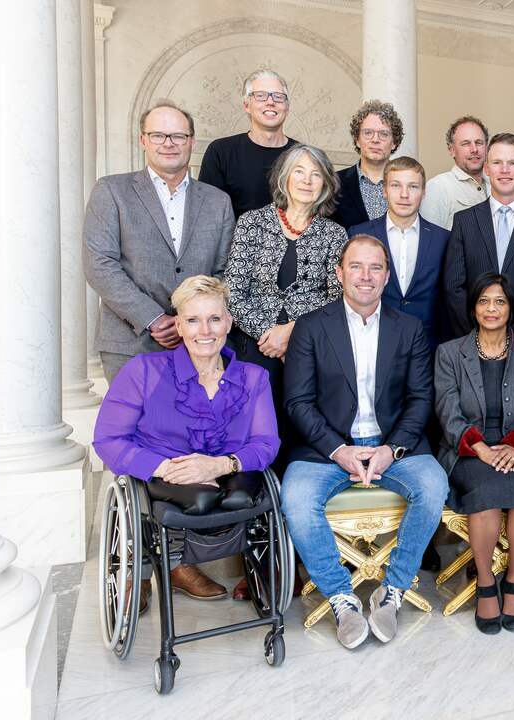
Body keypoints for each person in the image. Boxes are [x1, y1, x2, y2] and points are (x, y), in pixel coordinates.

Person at [281, 235, 448, 649]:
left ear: (387, 276)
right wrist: (338, 449)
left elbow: (420, 399)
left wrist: (392, 449)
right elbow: (298, 402)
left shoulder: (409, 329)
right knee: (297, 500)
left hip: (394, 444)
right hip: (326, 448)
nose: (366, 276)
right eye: (356, 266)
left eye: (375, 268)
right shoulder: (311, 327)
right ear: (339, 273)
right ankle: (342, 598)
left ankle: (392, 592)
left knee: (433, 486)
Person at [93, 275, 279, 604]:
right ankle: (164, 567)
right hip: (168, 474)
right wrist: (165, 468)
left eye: (214, 319)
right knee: (201, 498)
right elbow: (109, 440)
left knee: (242, 498)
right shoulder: (143, 371)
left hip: (230, 475)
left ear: (229, 323)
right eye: (193, 320)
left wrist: (221, 464)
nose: (204, 331)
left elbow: (266, 443)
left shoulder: (254, 378)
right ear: (178, 326)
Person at [433, 274, 514, 634]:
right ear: (473, 307)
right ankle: (486, 583)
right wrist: (483, 450)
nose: (491, 308)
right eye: (484, 301)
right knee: (484, 494)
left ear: (511, 307)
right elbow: (447, 411)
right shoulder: (449, 353)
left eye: (499, 301)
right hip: (469, 452)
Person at [84, 101, 235, 381]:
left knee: (192, 424)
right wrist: (152, 318)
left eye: (178, 136)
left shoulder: (218, 202)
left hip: (198, 343)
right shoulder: (111, 191)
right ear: (143, 139)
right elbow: (99, 264)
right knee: (133, 425)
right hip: (130, 341)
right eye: (158, 135)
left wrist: (189, 320)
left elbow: (223, 272)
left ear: (191, 142)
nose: (168, 143)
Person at [223, 143, 345, 458]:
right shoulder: (252, 223)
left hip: (309, 345)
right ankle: (256, 488)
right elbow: (234, 292)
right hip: (254, 342)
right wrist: (269, 334)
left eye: (315, 174)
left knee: (300, 421)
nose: (307, 180)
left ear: (326, 184)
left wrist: (291, 333)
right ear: (284, 179)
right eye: (299, 172)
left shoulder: (334, 235)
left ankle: (294, 489)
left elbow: (337, 298)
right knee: (254, 419)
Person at [443, 133, 514, 343]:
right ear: (487, 169)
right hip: (472, 340)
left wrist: (511, 335)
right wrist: (481, 332)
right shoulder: (464, 221)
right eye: (497, 163)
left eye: (512, 163)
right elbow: (454, 286)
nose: (505, 170)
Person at [348, 156, 449, 347]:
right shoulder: (359, 233)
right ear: (384, 191)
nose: (404, 194)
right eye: (396, 186)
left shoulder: (443, 239)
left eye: (413, 187)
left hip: (427, 344)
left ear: (423, 192)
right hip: (370, 340)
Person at [198, 69, 299, 219]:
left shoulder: (303, 156)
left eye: (278, 97)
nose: (270, 102)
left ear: (287, 107)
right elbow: (209, 215)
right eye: (260, 96)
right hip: (234, 241)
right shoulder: (221, 152)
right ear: (246, 105)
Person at [331, 100, 403, 229]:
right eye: (368, 133)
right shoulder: (334, 183)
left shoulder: (407, 184)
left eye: (384, 134)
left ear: (394, 143)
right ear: (357, 140)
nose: (375, 140)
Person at [420, 116, 490, 230]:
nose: (474, 149)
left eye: (479, 142)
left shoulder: (496, 184)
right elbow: (430, 241)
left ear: (486, 147)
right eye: (466, 143)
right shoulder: (438, 187)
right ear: (452, 151)